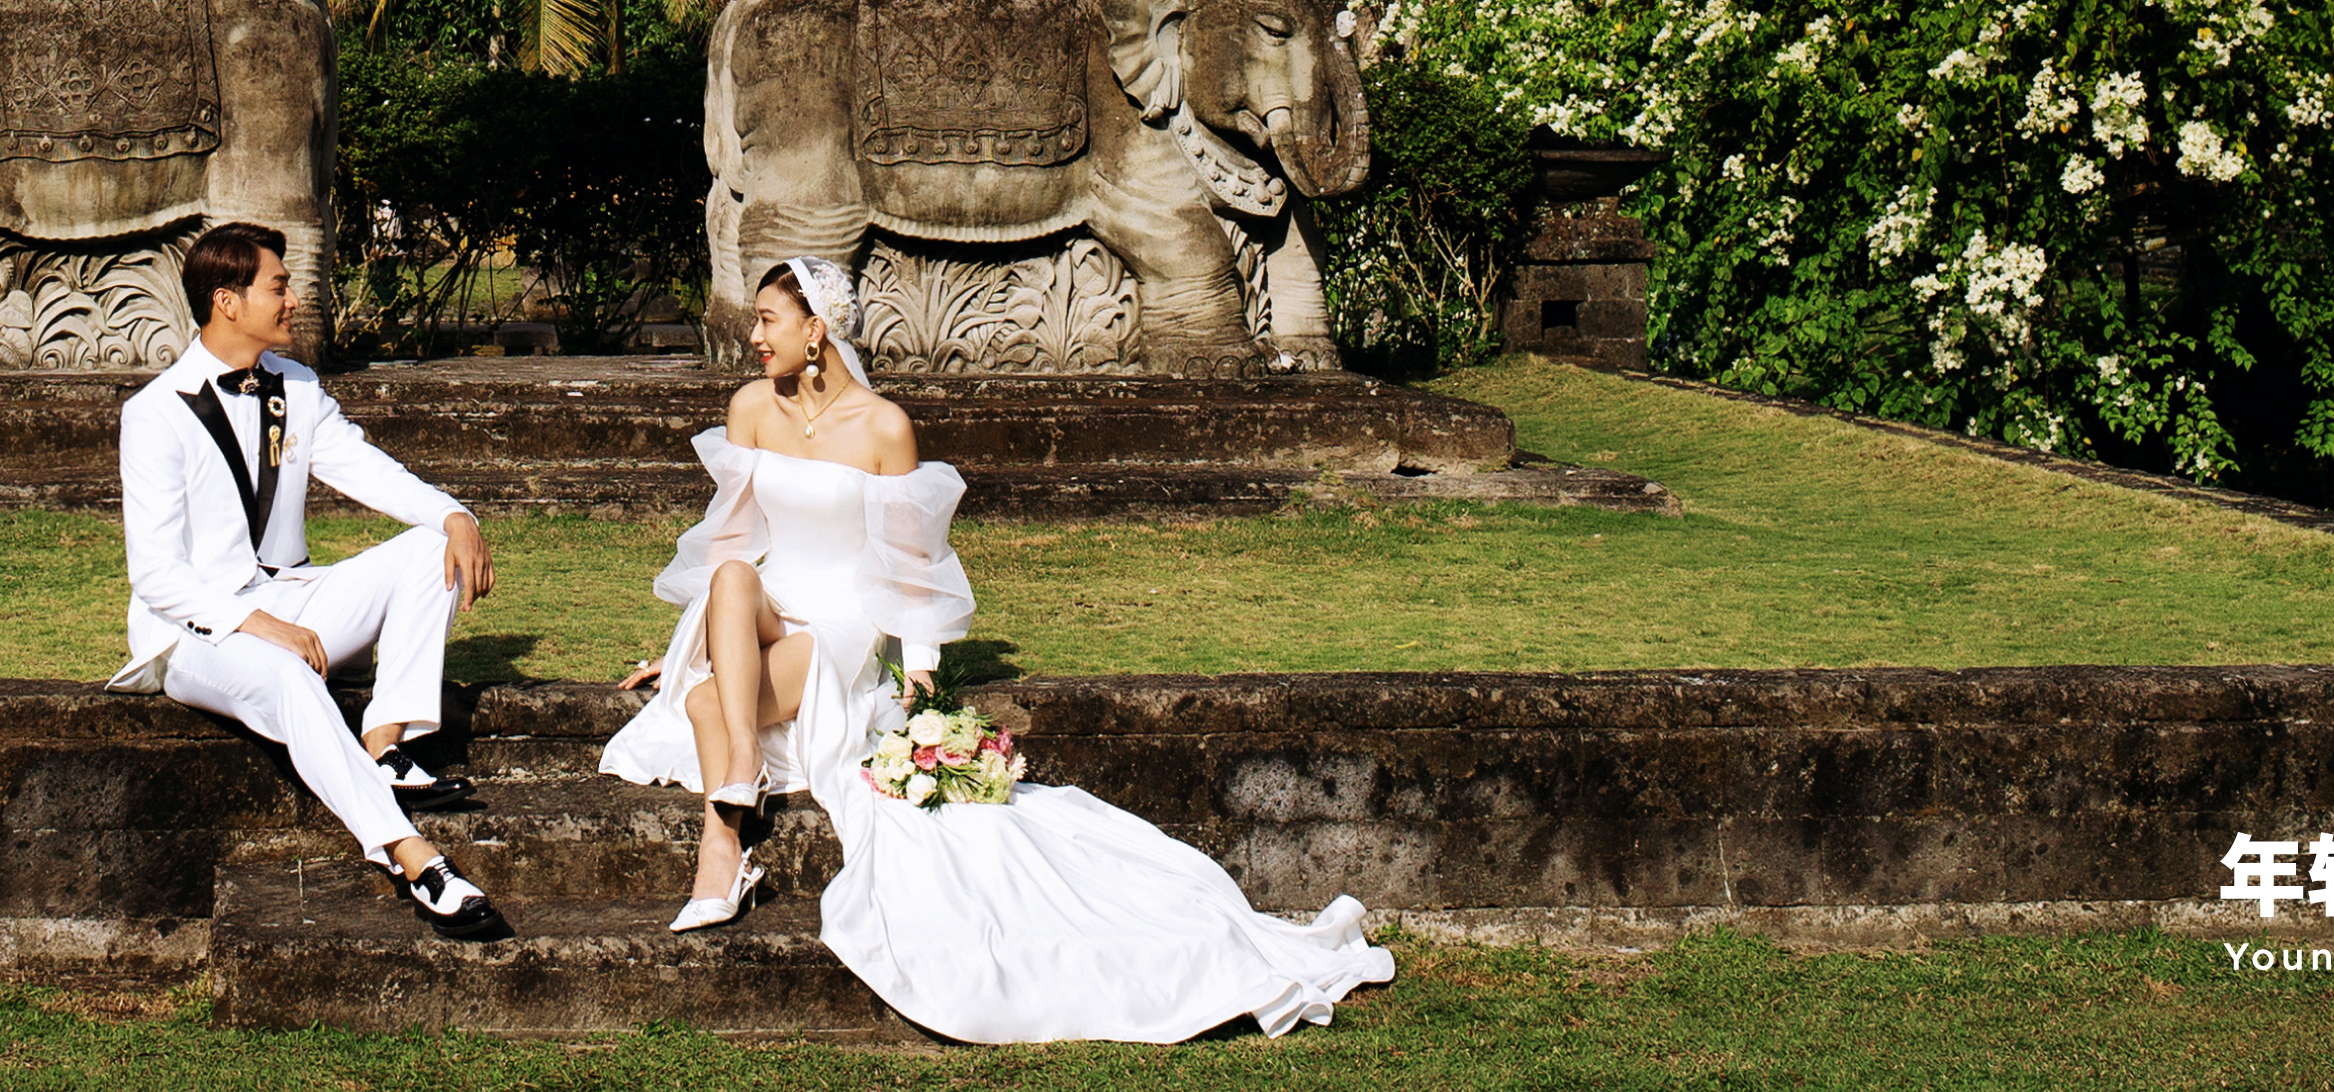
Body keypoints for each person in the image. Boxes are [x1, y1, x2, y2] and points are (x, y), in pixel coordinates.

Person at [598, 257, 1399, 1040]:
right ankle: (740, 769)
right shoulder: (749, 407)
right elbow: (731, 533)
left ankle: (722, 842)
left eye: (766, 320)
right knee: (733, 574)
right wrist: (691, 642)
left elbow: (909, 561)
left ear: (816, 329)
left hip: (843, 618)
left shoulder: (883, 426)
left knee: (707, 698)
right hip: (768, 601)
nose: (751, 336)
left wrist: (917, 664)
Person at [115, 219, 509, 938]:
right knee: (289, 674)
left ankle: (384, 740)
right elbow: (155, 575)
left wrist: (454, 514)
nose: (294, 298)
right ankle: (411, 854)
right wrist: (255, 624)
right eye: (279, 284)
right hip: (195, 630)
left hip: (292, 597)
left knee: (430, 546)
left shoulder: (293, 385)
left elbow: (365, 467)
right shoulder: (152, 413)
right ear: (226, 301)